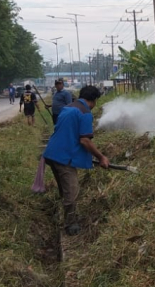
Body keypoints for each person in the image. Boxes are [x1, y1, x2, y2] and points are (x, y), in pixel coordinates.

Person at [42, 85, 109, 235]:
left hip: (52, 153)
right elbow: (85, 140)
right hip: (63, 158)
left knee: (65, 191)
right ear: (94, 100)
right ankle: (70, 224)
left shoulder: (69, 107)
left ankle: (63, 214)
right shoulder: (85, 112)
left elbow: (68, 133)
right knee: (72, 193)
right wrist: (101, 157)